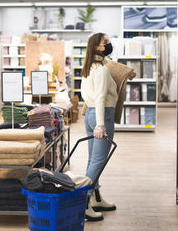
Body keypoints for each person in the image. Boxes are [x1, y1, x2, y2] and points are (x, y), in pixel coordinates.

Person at [81, 32, 117, 221]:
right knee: (97, 162)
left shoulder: (89, 67)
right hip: (101, 116)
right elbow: (101, 98)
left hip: (90, 114)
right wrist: (101, 125)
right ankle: (83, 203)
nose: (109, 45)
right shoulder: (102, 70)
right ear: (97, 47)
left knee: (92, 160)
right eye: (106, 43)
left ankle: (96, 198)